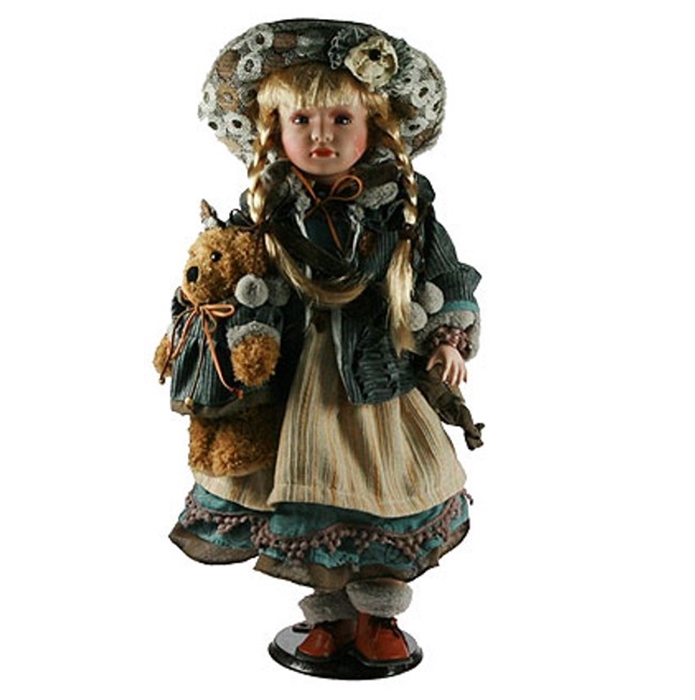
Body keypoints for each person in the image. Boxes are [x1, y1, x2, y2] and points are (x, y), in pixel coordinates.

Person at [168, 19, 482, 669]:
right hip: (294, 381)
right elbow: (228, 277)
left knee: (383, 486)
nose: (321, 136)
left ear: (375, 126)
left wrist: (450, 338)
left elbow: (448, 276)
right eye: (302, 120)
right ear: (273, 130)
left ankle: (380, 615)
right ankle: (329, 616)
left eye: (341, 119)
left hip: (377, 382)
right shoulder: (266, 209)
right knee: (303, 491)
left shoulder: (402, 208)